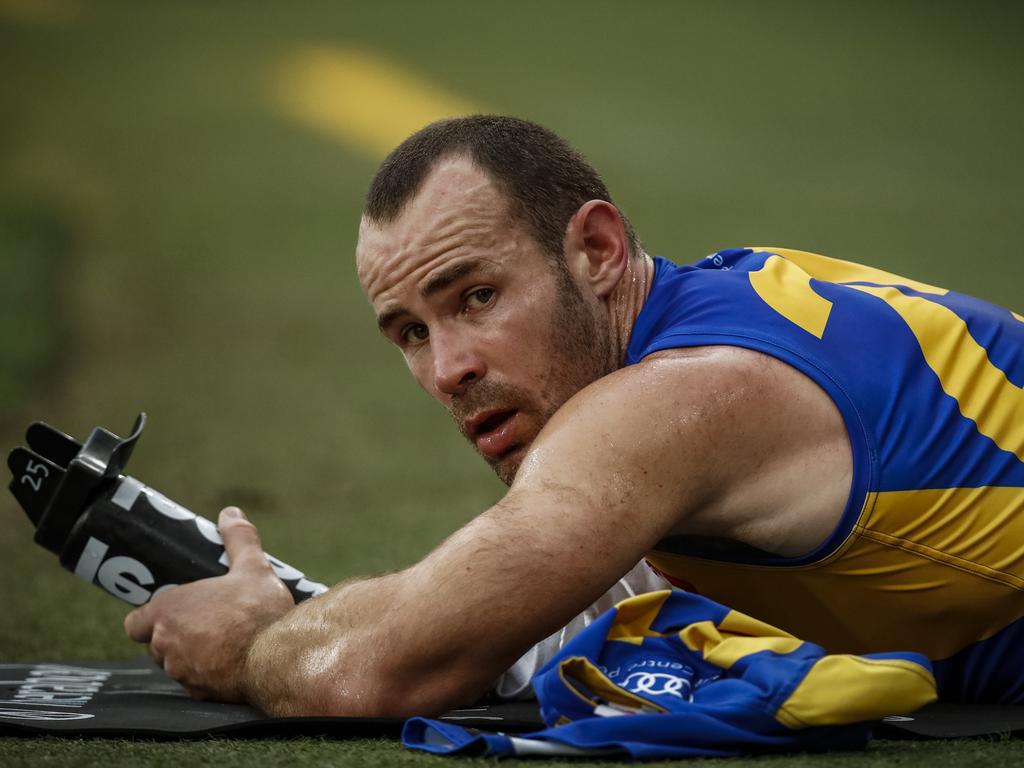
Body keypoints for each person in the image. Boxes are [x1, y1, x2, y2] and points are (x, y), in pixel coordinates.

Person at [124, 115, 1024, 712]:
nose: (448, 369)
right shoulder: (721, 313)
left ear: (596, 249)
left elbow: (380, 666)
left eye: (475, 297)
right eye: (408, 332)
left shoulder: (677, 400)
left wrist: (254, 646)